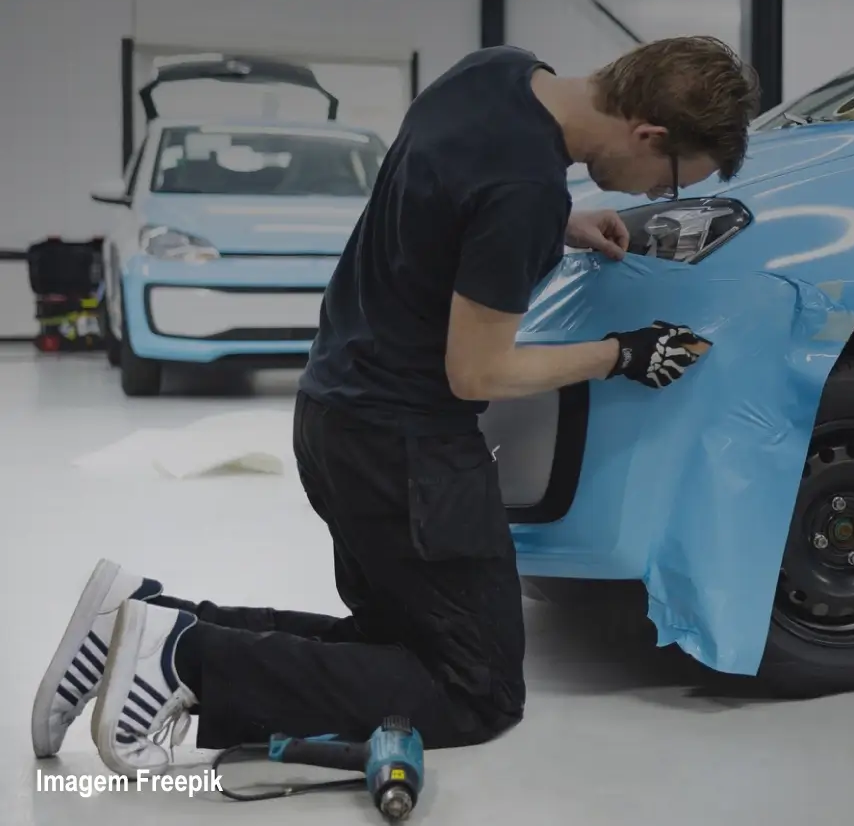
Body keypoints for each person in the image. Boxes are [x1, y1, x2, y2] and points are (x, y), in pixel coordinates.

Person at [30, 37, 760, 771]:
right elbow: (478, 371)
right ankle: (185, 657)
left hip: (334, 413)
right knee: (478, 690)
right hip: (408, 454)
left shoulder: (496, 71)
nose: (650, 200)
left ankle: (142, 624)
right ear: (649, 134)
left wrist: (557, 221)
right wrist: (624, 354)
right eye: (667, 183)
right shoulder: (525, 190)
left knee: (400, 651)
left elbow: (443, 189)